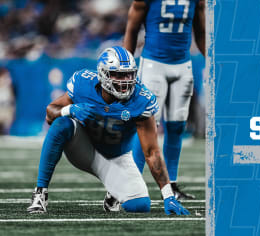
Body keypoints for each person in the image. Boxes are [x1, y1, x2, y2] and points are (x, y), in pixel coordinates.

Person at [27, 46, 189, 215]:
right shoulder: (84, 83)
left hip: (117, 158)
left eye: (129, 74)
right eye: (118, 75)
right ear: (103, 74)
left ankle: (113, 194)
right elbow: (50, 114)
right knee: (62, 123)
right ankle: (40, 193)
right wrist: (70, 110)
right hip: (84, 149)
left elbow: (151, 152)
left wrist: (168, 195)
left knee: (139, 206)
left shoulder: (142, 99)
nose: (125, 81)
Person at [123, 0, 205, 200]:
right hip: (153, 65)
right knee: (147, 125)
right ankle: (128, 186)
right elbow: (132, 30)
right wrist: (126, 64)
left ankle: (171, 185)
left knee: (177, 126)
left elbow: (201, 32)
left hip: (183, 64)